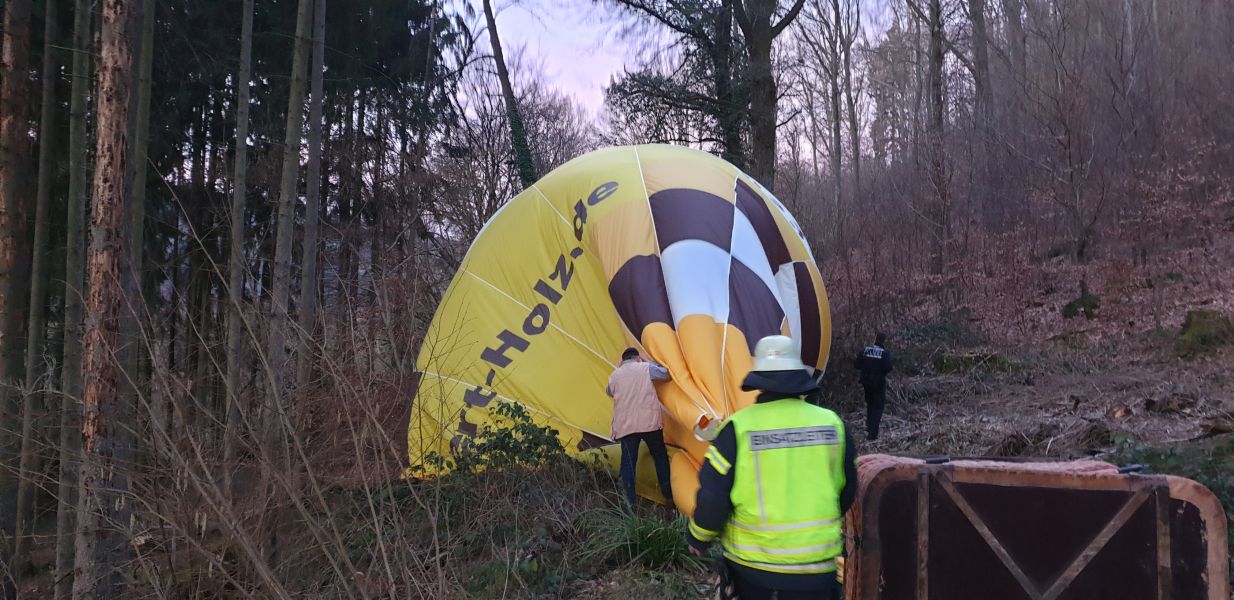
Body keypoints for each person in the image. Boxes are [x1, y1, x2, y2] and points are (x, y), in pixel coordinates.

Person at [687, 335, 857, 600]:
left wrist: (698, 537)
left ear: (760, 380)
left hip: (754, 573)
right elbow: (847, 491)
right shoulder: (833, 425)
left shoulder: (738, 429)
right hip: (817, 573)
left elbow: (714, 496)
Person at [607, 347, 673, 506]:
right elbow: (666, 374)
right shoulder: (645, 367)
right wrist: (648, 361)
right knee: (659, 457)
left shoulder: (615, 375)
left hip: (626, 427)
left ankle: (629, 503)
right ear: (637, 358)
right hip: (649, 424)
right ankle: (668, 494)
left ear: (623, 360)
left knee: (628, 464)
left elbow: (609, 392)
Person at [853, 332, 893, 441]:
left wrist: (866, 369)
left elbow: (856, 364)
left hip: (866, 383)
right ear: (884, 341)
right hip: (879, 384)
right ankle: (873, 433)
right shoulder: (884, 353)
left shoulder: (866, 350)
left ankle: (869, 428)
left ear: (875, 339)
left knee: (870, 405)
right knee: (878, 407)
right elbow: (888, 367)